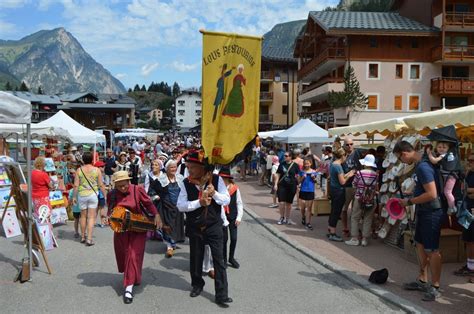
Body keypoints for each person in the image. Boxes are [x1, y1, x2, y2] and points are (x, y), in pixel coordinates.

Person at [176, 151, 232, 308]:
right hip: (195, 226)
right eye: (188, 166)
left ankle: (222, 294)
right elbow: (181, 206)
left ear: (202, 167)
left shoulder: (217, 179)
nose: (190, 170)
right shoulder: (185, 183)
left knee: (219, 260)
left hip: (214, 226)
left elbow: (226, 199)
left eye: (193, 167)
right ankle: (197, 285)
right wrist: (199, 203)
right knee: (196, 258)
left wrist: (214, 193)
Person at [394, 141, 444, 301]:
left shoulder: (422, 166)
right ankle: (423, 280)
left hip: (432, 212)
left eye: (400, 158)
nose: (402, 162)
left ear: (404, 153)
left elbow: (432, 194)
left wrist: (409, 202)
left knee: (432, 250)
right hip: (424, 211)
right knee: (421, 245)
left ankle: (435, 286)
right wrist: (412, 198)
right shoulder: (422, 163)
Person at [107, 171, 162, 304]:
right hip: (121, 230)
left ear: (129, 182)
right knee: (125, 256)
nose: (123, 188)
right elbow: (110, 211)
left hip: (138, 228)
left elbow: (148, 204)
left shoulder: (138, 190)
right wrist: (108, 217)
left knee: (133, 255)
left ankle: (128, 288)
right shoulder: (112, 194)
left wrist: (157, 215)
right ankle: (134, 278)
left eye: (124, 185)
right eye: (119, 186)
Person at [148, 160, 185, 257]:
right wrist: (156, 197)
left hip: (177, 207)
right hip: (165, 206)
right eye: (171, 167)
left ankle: (173, 243)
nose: (174, 169)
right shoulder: (161, 179)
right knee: (167, 226)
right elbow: (151, 191)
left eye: (175, 167)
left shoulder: (180, 178)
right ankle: (169, 246)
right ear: (167, 169)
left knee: (175, 225)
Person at [72, 152, 106, 246]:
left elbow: (76, 185)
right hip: (93, 195)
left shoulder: (79, 170)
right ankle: (89, 238)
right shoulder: (96, 170)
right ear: (92, 160)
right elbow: (101, 184)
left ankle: (83, 236)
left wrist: (74, 197)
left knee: (83, 216)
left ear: (83, 159)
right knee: (91, 217)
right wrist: (105, 195)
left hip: (82, 195)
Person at [345, 154, 378, 247]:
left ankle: (355, 238)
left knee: (355, 217)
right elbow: (375, 187)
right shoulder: (375, 174)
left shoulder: (359, 173)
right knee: (368, 218)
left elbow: (354, 184)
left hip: (359, 198)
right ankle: (364, 239)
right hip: (371, 199)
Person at [454, 153, 474, 283]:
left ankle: (471, 268)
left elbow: (469, 191)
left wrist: (469, 191)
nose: (470, 162)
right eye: (469, 159)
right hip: (468, 210)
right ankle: (470, 265)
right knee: (468, 239)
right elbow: (467, 191)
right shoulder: (469, 173)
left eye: (473, 160)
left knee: (471, 239)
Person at [328, 148, 355, 242]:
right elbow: (343, 181)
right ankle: (333, 233)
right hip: (339, 191)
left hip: (333, 189)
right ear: (343, 156)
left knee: (333, 210)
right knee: (336, 212)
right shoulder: (338, 166)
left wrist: (347, 174)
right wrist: (350, 175)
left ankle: (330, 229)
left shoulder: (333, 164)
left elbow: (339, 177)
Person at [219, 167, 243, 268]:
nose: (223, 180)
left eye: (224, 178)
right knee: (224, 239)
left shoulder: (235, 189)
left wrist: (239, 218)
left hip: (233, 216)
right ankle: (223, 259)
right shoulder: (217, 189)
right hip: (222, 217)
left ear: (228, 178)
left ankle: (231, 258)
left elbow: (239, 204)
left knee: (234, 238)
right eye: (221, 178)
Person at [427, 141, 459, 214]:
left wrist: (429, 153)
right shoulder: (442, 155)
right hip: (447, 176)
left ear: (448, 148)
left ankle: (452, 207)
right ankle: (450, 206)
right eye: (439, 147)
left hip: (451, 177)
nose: (441, 149)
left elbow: (434, 161)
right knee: (445, 192)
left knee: (447, 192)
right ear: (436, 147)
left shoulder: (445, 155)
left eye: (444, 147)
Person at [341, 137, 361, 237]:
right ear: (344, 145)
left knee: (355, 209)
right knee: (344, 208)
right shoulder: (342, 155)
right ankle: (345, 228)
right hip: (346, 186)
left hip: (358, 186)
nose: (350, 146)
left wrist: (355, 171)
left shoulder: (357, 153)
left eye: (351, 144)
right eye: (347, 144)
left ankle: (355, 228)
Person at [274, 151, 299, 225]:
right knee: (281, 202)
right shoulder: (281, 164)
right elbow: (278, 174)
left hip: (292, 186)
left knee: (289, 204)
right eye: (284, 156)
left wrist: (298, 184)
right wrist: (275, 184)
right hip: (282, 185)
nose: (285, 157)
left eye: (286, 156)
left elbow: (298, 175)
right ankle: (282, 217)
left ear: (291, 157)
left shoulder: (295, 165)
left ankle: (287, 218)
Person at [298, 158, 317, 230]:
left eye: (308, 163)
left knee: (309, 208)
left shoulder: (313, 171)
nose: (306, 165)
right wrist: (303, 177)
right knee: (302, 207)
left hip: (310, 191)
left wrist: (313, 178)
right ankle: (303, 216)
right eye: (305, 163)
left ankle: (308, 223)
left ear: (310, 163)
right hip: (303, 190)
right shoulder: (301, 172)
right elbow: (298, 182)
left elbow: (316, 182)